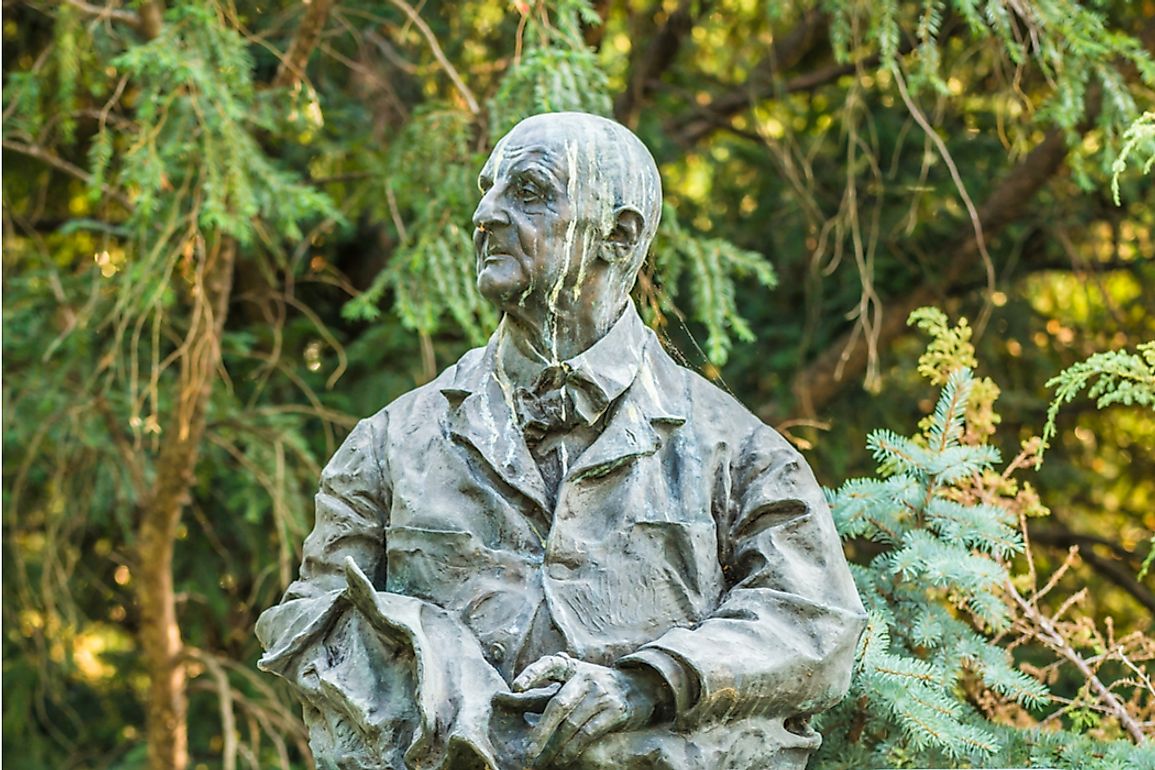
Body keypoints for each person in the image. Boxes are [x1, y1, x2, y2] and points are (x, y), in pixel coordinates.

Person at [256, 112, 866, 770]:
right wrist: (436, 667)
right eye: (485, 189)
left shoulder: (738, 453)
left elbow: (815, 625)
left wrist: (646, 685)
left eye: (526, 192)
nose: (483, 214)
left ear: (617, 233)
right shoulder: (390, 443)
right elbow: (312, 625)